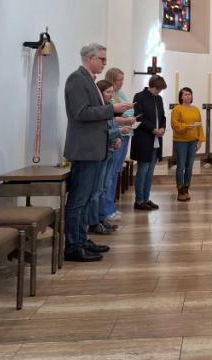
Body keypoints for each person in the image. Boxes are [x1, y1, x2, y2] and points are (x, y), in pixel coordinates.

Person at [63, 43, 133, 262]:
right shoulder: (76, 79)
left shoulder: (89, 81)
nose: (104, 63)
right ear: (89, 58)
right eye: (102, 59)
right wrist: (113, 109)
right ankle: (73, 246)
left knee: (86, 198)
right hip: (85, 150)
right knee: (78, 199)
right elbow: (81, 112)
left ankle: (82, 239)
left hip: (94, 149)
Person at [101, 67, 135, 221]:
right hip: (116, 136)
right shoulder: (109, 95)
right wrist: (127, 120)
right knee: (110, 174)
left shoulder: (119, 93)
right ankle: (106, 209)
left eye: (122, 79)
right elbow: (112, 117)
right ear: (112, 79)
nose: (121, 83)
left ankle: (111, 206)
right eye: (119, 80)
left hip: (125, 133)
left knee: (115, 173)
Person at [131, 75, 167, 210]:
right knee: (143, 170)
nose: (159, 92)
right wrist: (153, 129)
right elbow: (139, 117)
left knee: (150, 171)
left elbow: (162, 116)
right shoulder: (139, 96)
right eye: (158, 89)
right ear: (152, 86)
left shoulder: (159, 99)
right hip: (144, 138)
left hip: (156, 139)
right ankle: (139, 200)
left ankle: (146, 198)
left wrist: (162, 127)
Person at [171, 87, 204, 201]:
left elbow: (199, 125)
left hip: (193, 141)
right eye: (185, 94)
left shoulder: (195, 109)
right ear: (181, 97)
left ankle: (186, 188)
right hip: (181, 141)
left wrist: (200, 140)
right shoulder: (177, 109)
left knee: (189, 166)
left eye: (189, 94)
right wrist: (187, 127)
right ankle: (180, 190)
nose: (187, 96)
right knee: (180, 166)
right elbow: (174, 125)